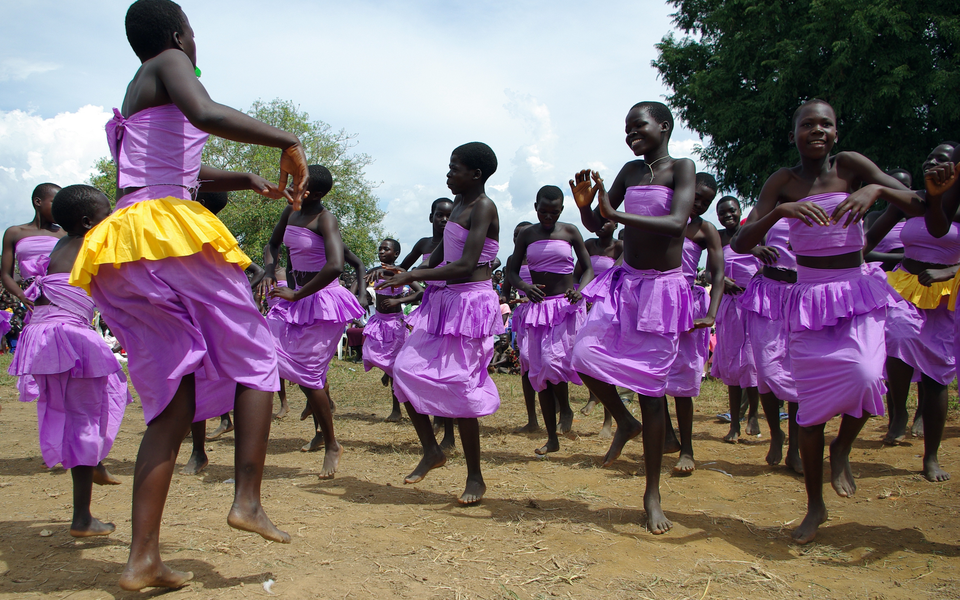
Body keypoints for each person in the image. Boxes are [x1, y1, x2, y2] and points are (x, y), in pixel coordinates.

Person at [70, 0, 309, 589]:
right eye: (193, 36)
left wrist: (246, 179)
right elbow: (203, 112)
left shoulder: (137, 89)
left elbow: (171, 167)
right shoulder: (171, 59)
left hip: (122, 243)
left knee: (172, 402)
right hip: (166, 232)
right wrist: (286, 139)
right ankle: (247, 499)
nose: (194, 47)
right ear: (180, 34)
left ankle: (142, 560)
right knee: (256, 354)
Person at [731, 98, 923, 544]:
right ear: (794, 132)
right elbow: (741, 242)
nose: (816, 130)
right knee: (811, 408)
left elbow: (915, 203)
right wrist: (781, 211)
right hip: (809, 300)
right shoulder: (783, 181)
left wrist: (877, 191)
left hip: (856, 290)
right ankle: (814, 505)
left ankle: (843, 447)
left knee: (868, 375)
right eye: (807, 124)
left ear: (836, 132)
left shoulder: (851, 166)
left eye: (825, 124)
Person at [569, 101, 696, 534]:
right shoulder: (628, 171)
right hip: (625, 285)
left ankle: (652, 492)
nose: (631, 134)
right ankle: (624, 420)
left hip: (662, 289)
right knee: (582, 352)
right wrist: (588, 209)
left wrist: (613, 212)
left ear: (664, 126)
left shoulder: (682, 168)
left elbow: (677, 222)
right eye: (627, 128)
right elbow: (603, 228)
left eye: (638, 126)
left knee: (651, 389)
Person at [377, 142, 502, 505]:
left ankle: (475, 477)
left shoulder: (483, 207)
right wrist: (403, 274)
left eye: (454, 169)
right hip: (443, 302)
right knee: (403, 369)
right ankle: (432, 450)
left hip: (470, 304)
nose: (448, 175)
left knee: (460, 387)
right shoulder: (459, 205)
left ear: (475, 174)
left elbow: (465, 265)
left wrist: (415, 273)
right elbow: (441, 257)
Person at [8, 185, 132, 537]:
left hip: (45, 333)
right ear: (86, 221)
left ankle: (93, 461)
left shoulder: (64, 244)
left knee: (86, 405)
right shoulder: (91, 245)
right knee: (86, 416)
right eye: (105, 214)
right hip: (66, 335)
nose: (110, 219)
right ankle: (82, 517)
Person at [864, 141, 960, 481]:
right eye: (931, 156)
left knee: (937, 375)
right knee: (896, 332)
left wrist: (950, 271)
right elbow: (868, 242)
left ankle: (930, 456)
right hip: (904, 283)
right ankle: (899, 412)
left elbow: (942, 228)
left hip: (945, 295)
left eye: (944, 159)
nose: (933, 162)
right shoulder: (912, 199)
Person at [262, 164, 365, 480]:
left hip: (323, 301)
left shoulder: (325, 219)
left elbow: (335, 265)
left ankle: (332, 443)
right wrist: (269, 271)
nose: (292, 188)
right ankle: (321, 418)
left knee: (308, 373)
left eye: (300, 185)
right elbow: (272, 245)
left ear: (317, 193)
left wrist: (297, 293)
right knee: (268, 350)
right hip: (294, 298)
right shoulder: (289, 213)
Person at [507, 185, 594, 455]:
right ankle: (551, 437)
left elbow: (588, 268)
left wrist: (579, 292)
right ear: (535, 207)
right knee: (538, 369)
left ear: (561, 210)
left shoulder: (569, 231)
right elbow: (511, 269)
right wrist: (524, 284)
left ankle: (565, 409)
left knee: (555, 362)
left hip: (565, 308)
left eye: (553, 212)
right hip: (537, 309)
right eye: (543, 211)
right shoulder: (527, 234)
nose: (548, 216)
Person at [662, 172, 724, 474]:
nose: (698, 204)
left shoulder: (705, 230)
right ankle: (667, 435)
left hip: (688, 306)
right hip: (656, 302)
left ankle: (687, 448)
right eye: (695, 196)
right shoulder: (660, 218)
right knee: (651, 372)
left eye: (705, 201)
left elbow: (718, 274)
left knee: (685, 379)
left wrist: (711, 314)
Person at [711, 196, 769, 442]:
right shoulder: (719, 239)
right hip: (730, 307)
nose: (728, 216)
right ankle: (734, 423)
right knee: (733, 365)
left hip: (754, 304)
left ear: (739, 211)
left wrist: (754, 281)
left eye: (731, 211)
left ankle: (754, 413)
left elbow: (769, 263)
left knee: (753, 362)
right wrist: (722, 281)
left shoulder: (754, 234)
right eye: (722, 213)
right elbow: (713, 270)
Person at [2, 183, 66, 404]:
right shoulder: (15, 232)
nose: (59, 208)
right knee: (37, 345)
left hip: (60, 296)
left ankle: (62, 387)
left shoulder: (65, 232)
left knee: (62, 339)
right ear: (38, 202)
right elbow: (6, 275)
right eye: (54, 202)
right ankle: (45, 390)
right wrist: (22, 296)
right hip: (31, 299)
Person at [363, 238, 421, 422]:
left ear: (395, 254)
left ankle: (397, 410)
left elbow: (420, 292)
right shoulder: (374, 272)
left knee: (396, 366)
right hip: (378, 322)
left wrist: (398, 301)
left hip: (395, 324)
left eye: (386, 249)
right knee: (370, 354)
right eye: (380, 248)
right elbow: (362, 289)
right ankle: (387, 372)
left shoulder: (401, 273)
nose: (381, 252)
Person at [576, 216, 622, 431]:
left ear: (616, 225)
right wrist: (579, 297)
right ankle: (593, 396)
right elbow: (580, 273)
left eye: (607, 221)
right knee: (587, 356)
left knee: (606, 360)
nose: (602, 225)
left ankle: (608, 420)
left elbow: (621, 276)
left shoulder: (621, 246)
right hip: (587, 306)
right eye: (598, 220)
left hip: (610, 308)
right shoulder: (588, 244)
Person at [501, 221, 545, 434]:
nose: (519, 238)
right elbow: (507, 290)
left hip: (545, 315)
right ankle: (532, 419)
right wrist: (506, 299)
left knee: (546, 363)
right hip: (524, 316)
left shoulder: (543, 256)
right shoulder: (512, 260)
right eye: (516, 235)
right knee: (526, 363)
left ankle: (560, 409)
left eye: (523, 234)